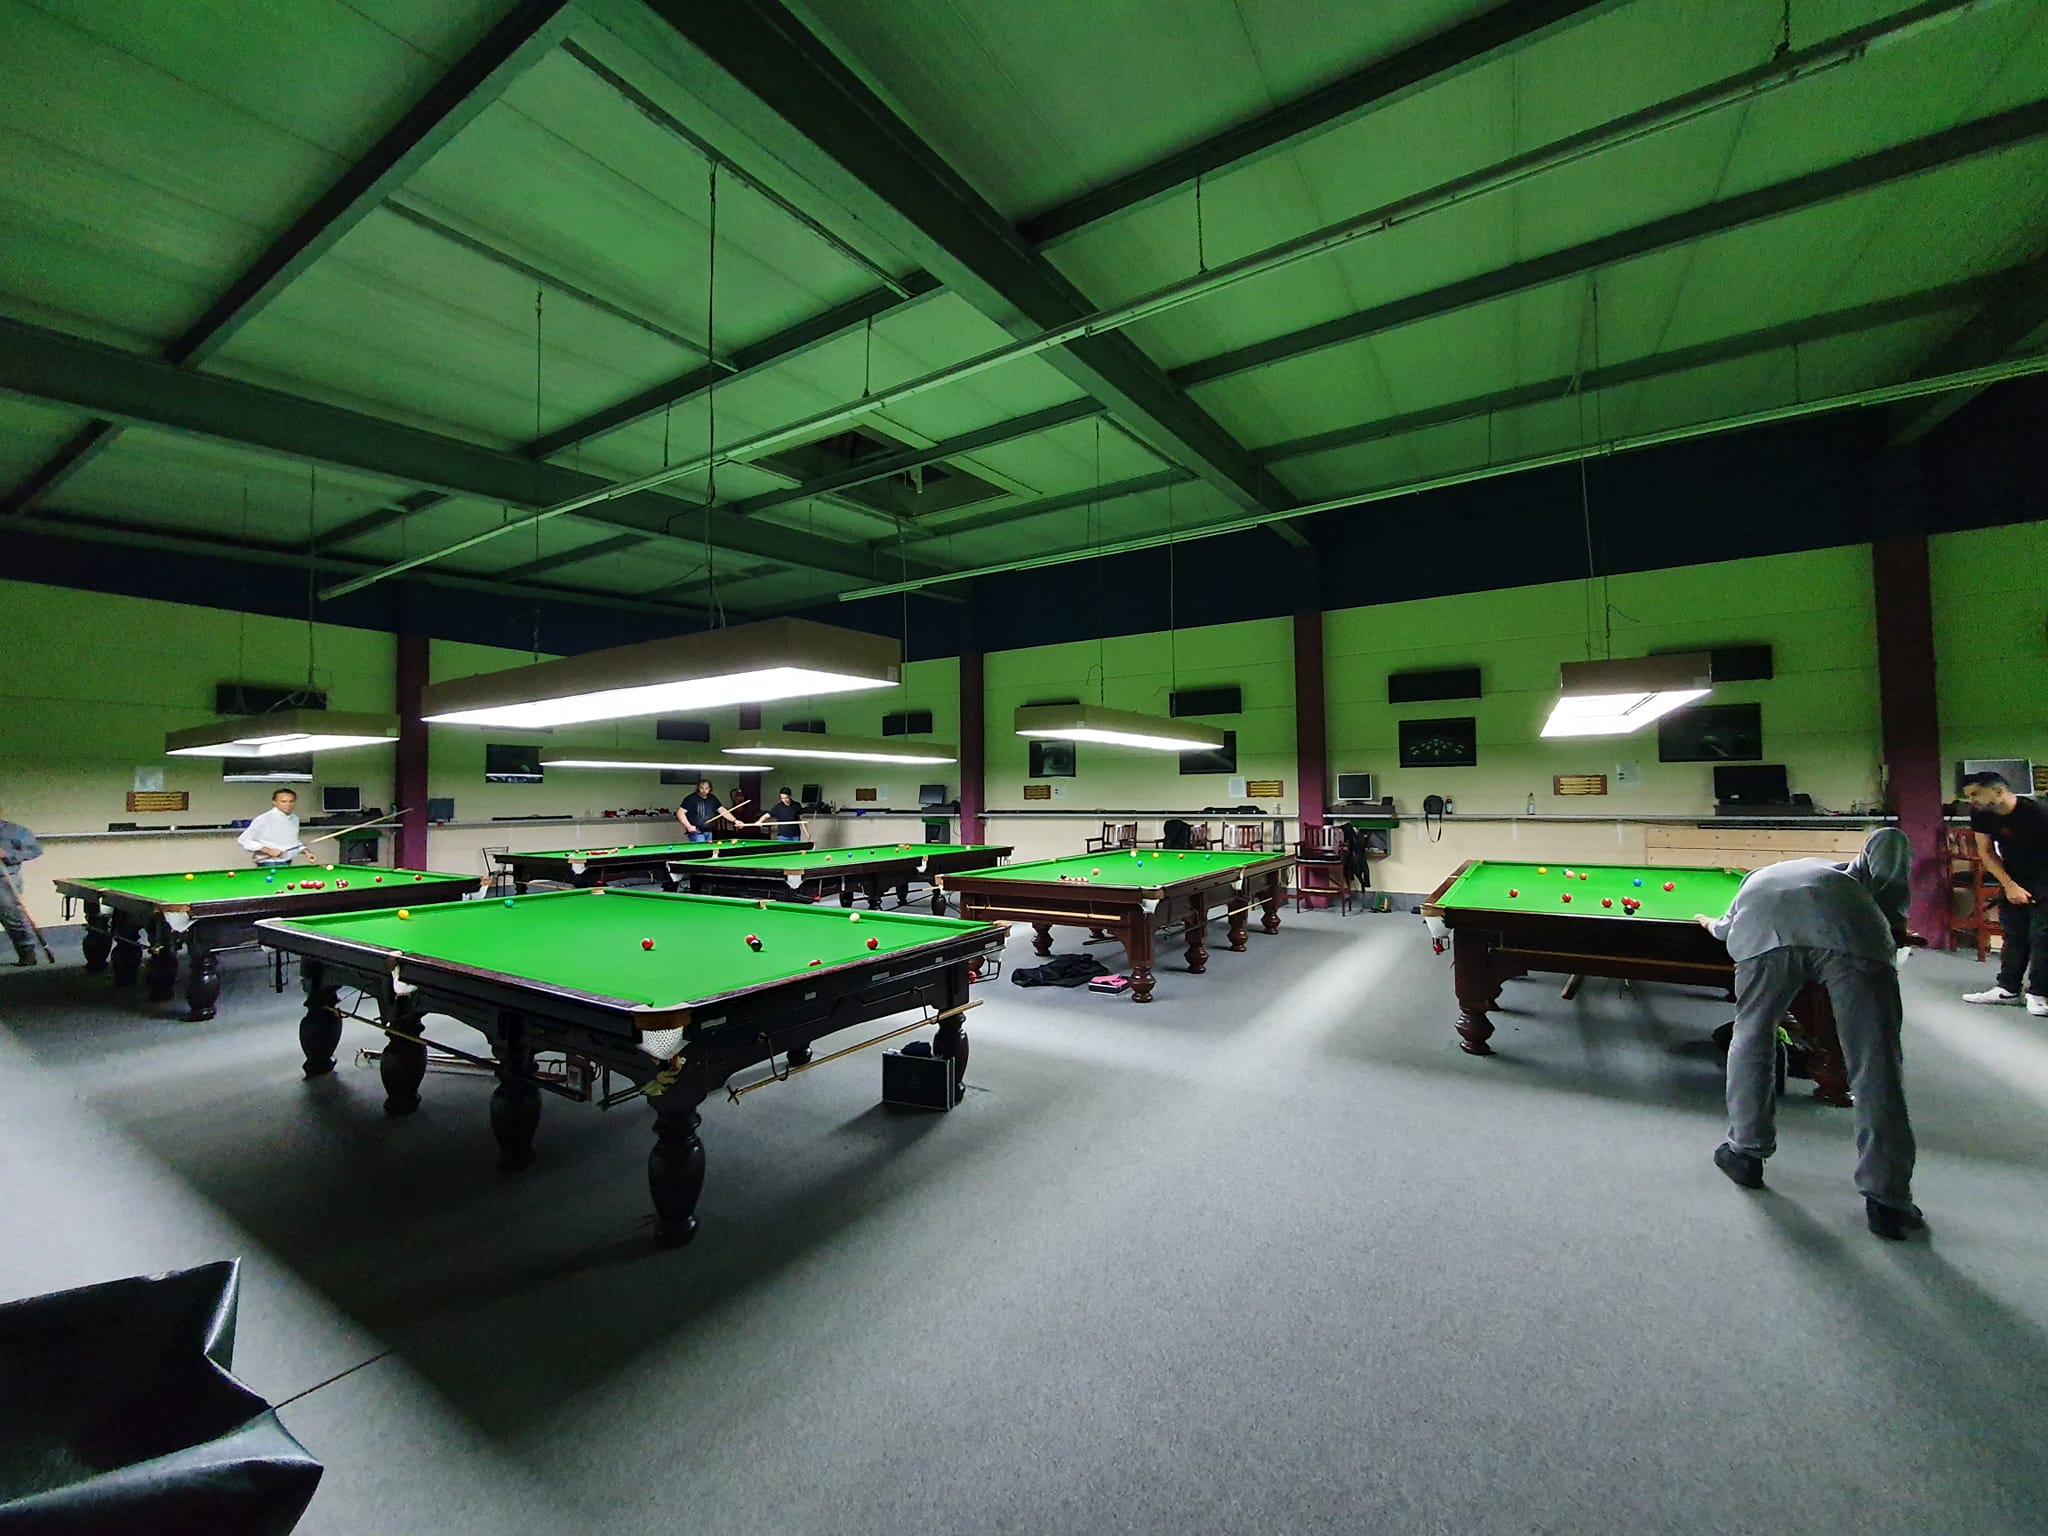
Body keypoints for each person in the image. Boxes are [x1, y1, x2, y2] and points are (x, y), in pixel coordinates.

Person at [1699, 828, 1924, 1240]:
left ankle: (1745, 1152)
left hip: (1765, 925)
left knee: (1751, 1034)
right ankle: (1888, 1200)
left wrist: (1708, 923)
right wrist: (1893, 919)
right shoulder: (1849, 882)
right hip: (1854, 932)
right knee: (1876, 1059)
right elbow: (1889, 840)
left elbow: (1724, 929)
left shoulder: (1762, 876)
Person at [1958, 770, 2047, 1015]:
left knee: (2042, 935)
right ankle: (2007, 988)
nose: (1971, 801)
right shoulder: (1982, 814)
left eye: (1976, 794)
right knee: (2014, 932)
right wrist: (2010, 885)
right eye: (1968, 796)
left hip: (2045, 875)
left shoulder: (2038, 814)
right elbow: (1986, 852)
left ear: (1998, 792)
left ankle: (2039, 993)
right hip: (2014, 874)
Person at [0, 805, 45, 966]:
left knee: (12, 917)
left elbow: (35, 850)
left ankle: (27, 952)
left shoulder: (15, 831)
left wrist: (8, 855)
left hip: (5, 880)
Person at [236, 787, 304, 866]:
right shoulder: (264, 818)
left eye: (291, 801)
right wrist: (268, 851)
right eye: (283, 801)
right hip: (269, 862)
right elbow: (243, 839)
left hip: (287, 861)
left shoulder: (295, 818)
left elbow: (291, 840)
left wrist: (305, 851)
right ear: (274, 802)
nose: (288, 804)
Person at [675, 780, 738, 844]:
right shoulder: (691, 799)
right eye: (701, 788)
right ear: (698, 788)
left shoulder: (712, 798)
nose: (704, 790)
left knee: (707, 852)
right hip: (697, 832)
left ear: (710, 788)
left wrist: (735, 820)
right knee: (701, 852)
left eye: (706, 788)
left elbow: (722, 810)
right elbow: (680, 813)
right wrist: (688, 826)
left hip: (709, 832)